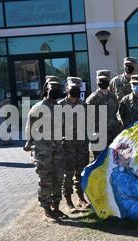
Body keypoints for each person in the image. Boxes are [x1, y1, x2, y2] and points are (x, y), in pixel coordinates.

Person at [23, 81, 67, 222]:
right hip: (43, 151)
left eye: (58, 89)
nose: (55, 91)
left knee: (58, 178)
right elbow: (30, 129)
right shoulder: (38, 108)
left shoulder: (59, 107)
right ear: (46, 90)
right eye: (52, 89)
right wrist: (29, 144)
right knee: (45, 180)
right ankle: (46, 210)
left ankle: (56, 207)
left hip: (58, 149)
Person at [58, 77, 91, 212]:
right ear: (67, 89)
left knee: (80, 173)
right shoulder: (60, 105)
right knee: (68, 174)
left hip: (82, 146)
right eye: (72, 89)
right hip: (67, 147)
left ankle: (80, 198)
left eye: (77, 89)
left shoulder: (84, 105)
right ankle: (68, 200)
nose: (74, 91)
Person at [86, 70, 122, 158]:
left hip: (113, 135)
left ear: (109, 81)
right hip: (99, 136)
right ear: (97, 81)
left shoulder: (113, 96)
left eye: (105, 80)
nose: (103, 82)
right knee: (99, 162)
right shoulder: (92, 99)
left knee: (113, 160)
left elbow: (116, 112)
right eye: (101, 80)